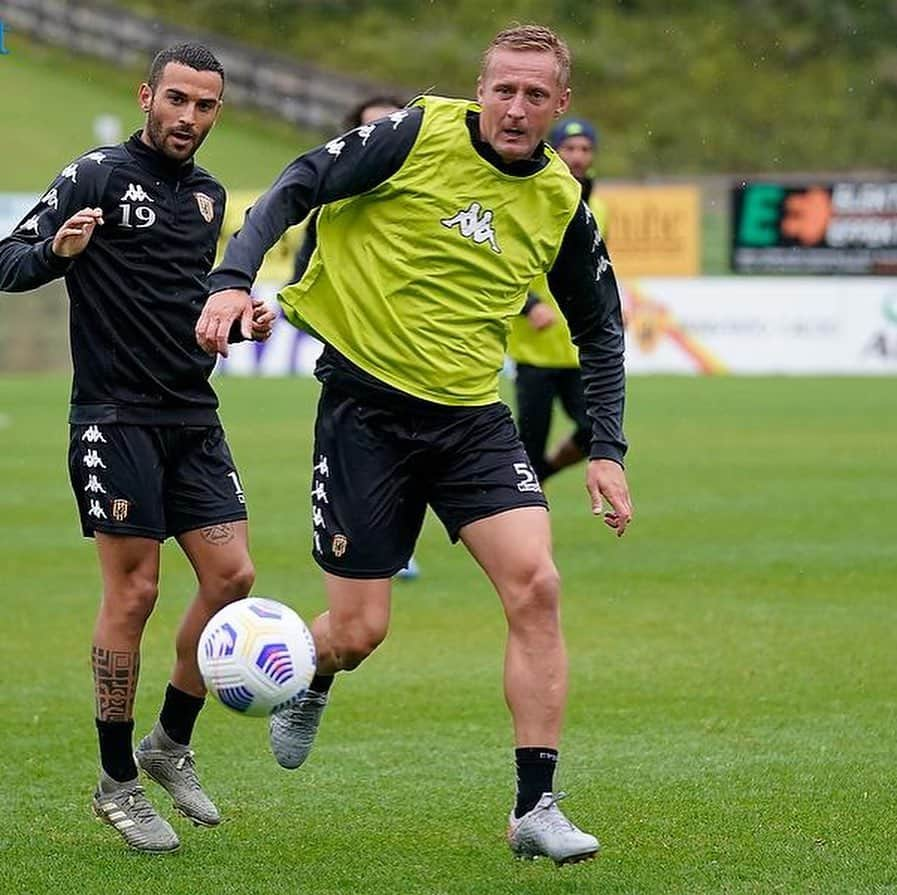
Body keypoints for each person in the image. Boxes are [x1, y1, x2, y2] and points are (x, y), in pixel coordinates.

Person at [196, 24, 632, 866]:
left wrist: (606, 448)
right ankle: (309, 669)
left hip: (470, 421)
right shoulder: (415, 132)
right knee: (360, 630)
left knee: (536, 585)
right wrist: (230, 278)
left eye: (534, 95)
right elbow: (299, 183)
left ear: (560, 105)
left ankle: (534, 804)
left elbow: (600, 326)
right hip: (364, 413)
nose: (515, 107)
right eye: (502, 89)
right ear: (481, 87)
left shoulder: (559, 201)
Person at [0, 43, 273, 853]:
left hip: (193, 413)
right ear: (146, 94)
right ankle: (117, 781)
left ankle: (167, 743)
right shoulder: (94, 175)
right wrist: (59, 252)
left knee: (233, 575)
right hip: (113, 418)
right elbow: (7, 260)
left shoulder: (208, 197)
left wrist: (238, 320)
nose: (190, 117)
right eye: (178, 99)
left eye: (206, 105)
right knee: (135, 594)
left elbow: (192, 295)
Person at [287, 94, 423, 582]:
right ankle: (375, 545)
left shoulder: (426, 200)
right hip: (356, 361)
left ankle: (397, 544)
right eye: (370, 128)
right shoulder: (337, 202)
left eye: (391, 126)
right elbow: (304, 269)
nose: (381, 138)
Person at [507, 116, 604, 482]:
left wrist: (609, 307)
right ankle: (526, 519)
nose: (578, 156)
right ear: (554, 149)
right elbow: (502, 263)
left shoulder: (600, 207)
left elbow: (598, 271)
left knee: (595, 430)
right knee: (528, 442)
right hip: (534, 349)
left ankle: (541, 475)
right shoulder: (530, 198)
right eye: (570, 148)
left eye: (585, 149)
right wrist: (530, 305)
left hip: (577, 349)